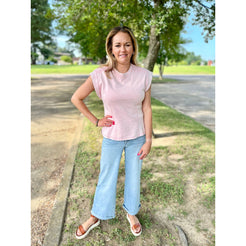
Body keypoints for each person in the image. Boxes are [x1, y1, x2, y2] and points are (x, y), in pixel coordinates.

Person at [71, 26, 152, 239]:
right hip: (112, 139)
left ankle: (131, 213)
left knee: (134, 178)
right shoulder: (100, 75)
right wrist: (96, 121)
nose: (123, 49)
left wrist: (149, 139)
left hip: (137, 138)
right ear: (111, 49)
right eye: (118, 45)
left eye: (127, 44)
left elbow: (146, 108)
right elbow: (76, 98)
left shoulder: (144, 76)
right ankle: (96, 216)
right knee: (106, 177)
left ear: (133, 47)